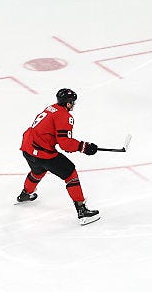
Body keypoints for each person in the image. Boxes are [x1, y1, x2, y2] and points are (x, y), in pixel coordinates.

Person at [17, 88, 102, 226]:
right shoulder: (65, 116)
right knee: (70, 174)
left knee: (37, 171)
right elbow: (65, 144)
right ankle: (82, 211)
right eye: (72, 102)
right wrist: (84, 147)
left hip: (28, 149)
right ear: (68, 103)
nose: (73, 104)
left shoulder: (51, 108)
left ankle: (25, 194)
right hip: (43, 152)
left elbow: (50, 132)